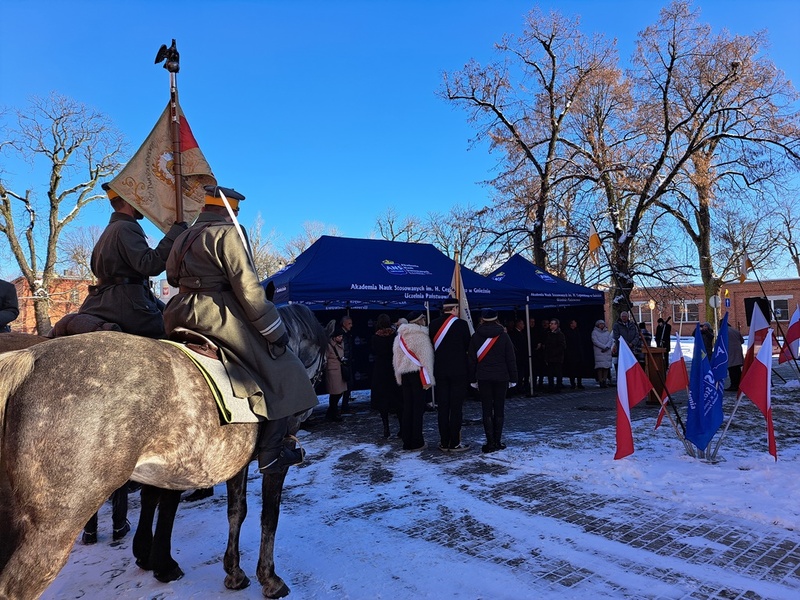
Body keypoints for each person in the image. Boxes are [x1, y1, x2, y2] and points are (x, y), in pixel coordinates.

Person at [163, 185, 318, 475]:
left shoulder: (182, 237)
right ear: (229, 210)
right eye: (235, 212)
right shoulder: (228, 232)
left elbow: (171, 277)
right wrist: (274, 331)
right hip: (216, 314)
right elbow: (247, 288)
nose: (235, 216)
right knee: (286, 368)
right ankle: (273, 452)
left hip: (178, 312)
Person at [76, 183, 188, 544]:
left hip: (102, 302)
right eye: (137, 201)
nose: (143, 206)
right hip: (129, 304)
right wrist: (175, 233)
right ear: (123, 203)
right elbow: (150, 265)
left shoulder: (107, 232)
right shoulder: (126, 228)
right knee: (182, 343)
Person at [468, 308, 517, 453]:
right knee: (500, 409)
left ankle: (490, 443)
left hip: (483, 377)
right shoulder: (504, 336)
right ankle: (498, 441)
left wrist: (472, 378)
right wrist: (514, 378)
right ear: (497, 319)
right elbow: (511, 359)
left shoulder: (476, 336)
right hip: (502, 377)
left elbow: (471, 360)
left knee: (486, 410)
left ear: (482, 319)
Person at [429, 298, 471, 452]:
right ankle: (455, 442)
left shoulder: (432, 324)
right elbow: (468, 345)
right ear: (454, 309)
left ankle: (444, 441)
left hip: (440, 371)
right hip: (458, 372)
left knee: (443, 408)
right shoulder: (462, 324)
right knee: (456, 408)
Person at [393, 310, 434, 451]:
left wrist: (399, 376)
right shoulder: (421, 336)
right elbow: (426, 359)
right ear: (419, 320)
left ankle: (407, 441)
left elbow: (396, 360)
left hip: (405, 375)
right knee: (418, 409)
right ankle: (417, 441)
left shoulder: (399, 336)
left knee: (407, 408)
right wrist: (429, 378)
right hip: (418, 375)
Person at [370, 314, 401, 438]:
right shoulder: (395, 336)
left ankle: (386, 429)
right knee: (398, 399)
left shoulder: (375, 338)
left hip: (380, 371)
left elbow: (373, 351)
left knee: (383, 402)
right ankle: (402, 428)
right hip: (393, 369)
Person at [325, 328, 348, 422]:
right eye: (339, 336)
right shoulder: (329, 346)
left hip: (339, 370)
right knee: (335, 393)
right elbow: (325, 358)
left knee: (339, 393)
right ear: (334, 337)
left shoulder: (340, 344)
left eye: (341, 336)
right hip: (332, 372)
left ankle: (331, 412)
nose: (341, 338)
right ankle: (333, 413)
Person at [508, 318, 530, 396]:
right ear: (518, 324)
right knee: (518, 374)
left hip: (523, 357)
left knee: (522, 373)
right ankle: (517, 388)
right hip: (518, 357)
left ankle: (521, 386)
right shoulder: (514, 334)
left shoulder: (522, 333)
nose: (524, 325)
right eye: (522, 324)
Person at [544, 318, 567, 392]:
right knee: (550, 373)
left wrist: (554, 353)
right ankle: (551, 386)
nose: (550, 325)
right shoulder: (549, 334)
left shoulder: (560, 334)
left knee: (558, 372)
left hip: (557, 357)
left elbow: (562, 346)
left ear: (556, 325)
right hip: (550, 357)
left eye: (552, 323)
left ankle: (558, 386)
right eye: (550, 323)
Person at [591, 319, 614, 388]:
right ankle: (600, 381)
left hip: (606, 352)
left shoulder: (607, 332)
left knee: (606, 367)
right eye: (600, 324)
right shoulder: (594, 332)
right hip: (599, 352)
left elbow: (610, 340)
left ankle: (605, 380)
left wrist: (607, 347)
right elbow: (595, 341)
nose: (602, 325)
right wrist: (603, 347)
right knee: (600, 367)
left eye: (603, 324)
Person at [563, 319, 585, 389]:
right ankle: (573, 383)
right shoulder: (567, 332)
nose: (576, 324)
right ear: (571, 324)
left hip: (578, 353)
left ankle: (579, 383)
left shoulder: (577, 331)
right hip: (571, 354)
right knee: (572, 369)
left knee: (579, 369)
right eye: (574, 323)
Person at [340, 315, 355, 413]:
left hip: (347, 362)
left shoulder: (347, 334)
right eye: (349, 323)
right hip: (342, 364)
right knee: (341, 387)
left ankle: (345, 406)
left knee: (349, 386)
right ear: (344, 323)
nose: (351, 325)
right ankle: (342, 407)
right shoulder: (340, 334)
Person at [726, 323, 745, 391]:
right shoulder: (735, 330)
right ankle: (740, 384)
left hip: (730, 351)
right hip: (738, 350)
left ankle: (734, 385)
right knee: (737, 368)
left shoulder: (723, 331)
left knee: (731, 368)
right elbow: (742, 341)